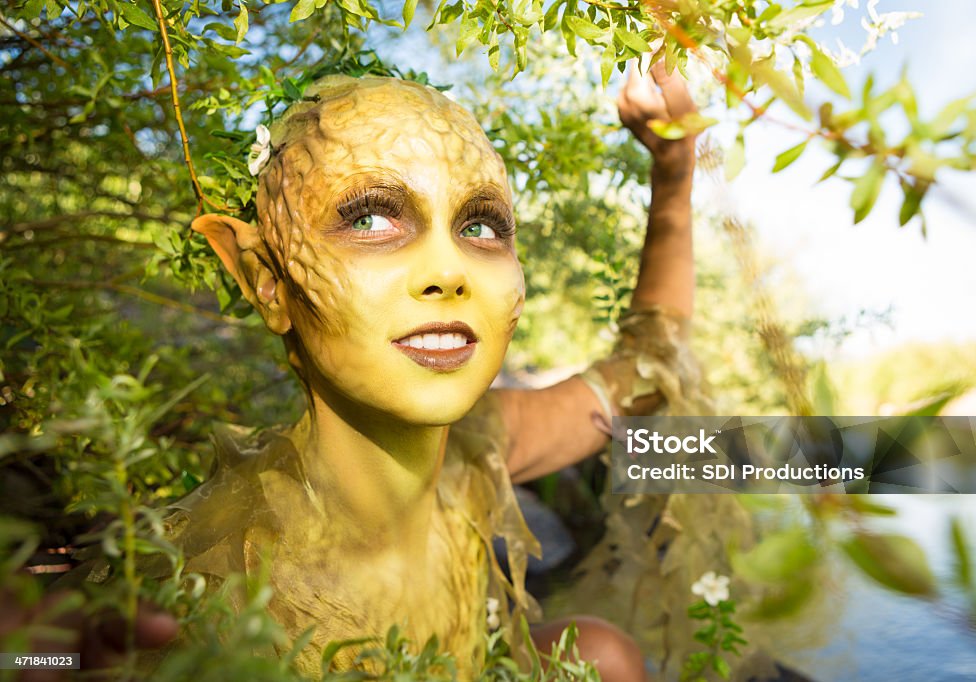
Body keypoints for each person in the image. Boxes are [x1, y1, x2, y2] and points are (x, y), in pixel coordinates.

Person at [168, 60, 700, 680]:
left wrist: (674, 170)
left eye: (480, 226)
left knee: (602, 654)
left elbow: (646, 366)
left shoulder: (481, 448)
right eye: (369, 219)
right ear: (267, 281)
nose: (449, 271)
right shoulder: (205, 590)